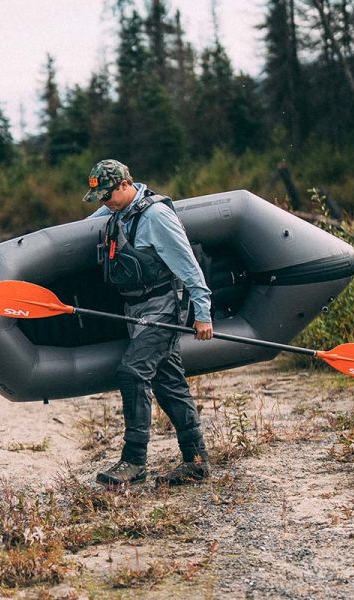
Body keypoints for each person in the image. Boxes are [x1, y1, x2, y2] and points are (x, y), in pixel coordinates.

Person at [83, 159, 213, 487]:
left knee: (133, 372)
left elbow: (187, 265)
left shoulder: (155, 216)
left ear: (126, 184)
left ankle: (134, 461)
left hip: (164, 309)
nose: (104, 203)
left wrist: (203, 313)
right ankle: (196, 461)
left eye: (108, 195)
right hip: (137, 311)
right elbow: (85, 226)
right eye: (100, 198)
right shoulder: (115, 211)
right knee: (169, 383)